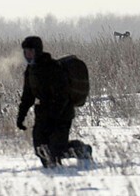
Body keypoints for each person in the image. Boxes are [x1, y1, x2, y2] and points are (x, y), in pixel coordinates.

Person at [16, 36, 92, 168]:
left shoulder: (53, 68)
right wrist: (21, 116)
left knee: (56, 150)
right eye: (25, 52)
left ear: (37, 51)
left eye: (30, 52)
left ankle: (82, 150)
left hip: (62, 115)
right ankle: (52, 167)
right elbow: (27, 96)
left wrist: (53, 115)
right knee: (41, 151)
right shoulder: (30, 71)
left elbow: (62, 96)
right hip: (42, 115)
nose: (27, 55)